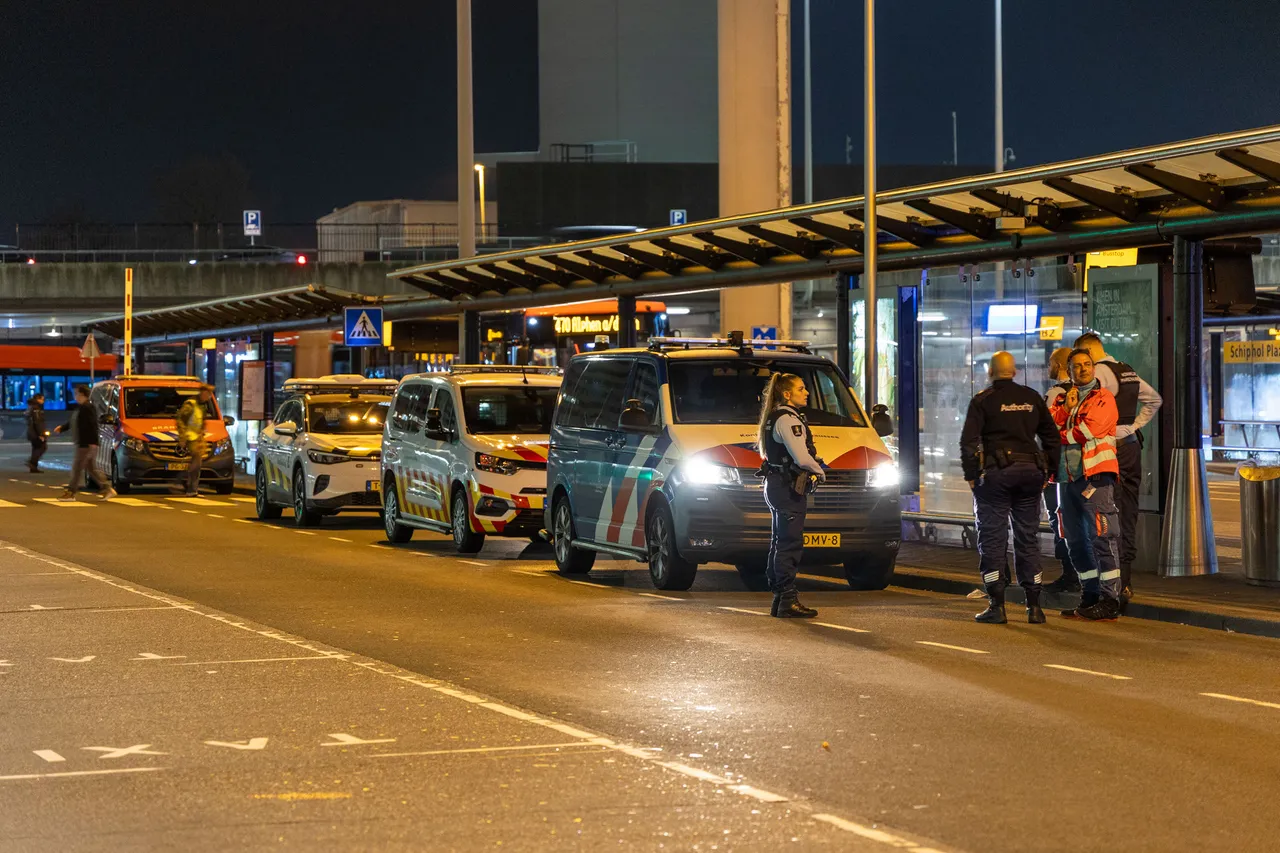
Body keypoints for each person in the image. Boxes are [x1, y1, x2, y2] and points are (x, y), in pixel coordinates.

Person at [959, 352, 1062, 624]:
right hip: (1030, 474)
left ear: (990, 372)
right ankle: (1034, 607)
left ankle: (997, 606)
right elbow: (1052, 437)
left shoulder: (983, 400)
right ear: (1014, 372)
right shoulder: (1031, 398)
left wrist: (971, 475)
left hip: (996, 476)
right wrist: (1049, 471)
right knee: (1027, 538)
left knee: (993, 538)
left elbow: (968, 442)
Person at [1073, 333, 1162, 606]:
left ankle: (1112, 587)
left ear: (1088, 353)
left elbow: (1090, 413)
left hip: (1111, 451)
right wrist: (1133, 426)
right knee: (1128, 511)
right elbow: (1154, 400)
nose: (1082, 367)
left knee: (1106, 514)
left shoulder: (1099, 374)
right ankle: (1127, 582)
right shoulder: (1127, 371)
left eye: (1083, 359)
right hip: (1132, 446)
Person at [1051, 349, 1122, 621]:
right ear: (1068, 371)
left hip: (1095, 478)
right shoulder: (1063, 399)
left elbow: (1090, 430)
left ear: (1093, 367)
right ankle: (1089, 596)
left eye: (1087, 364)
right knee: (1075, 541)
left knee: (1102, 537)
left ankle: (1110, 600)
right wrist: (1067, 411)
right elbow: (1047, 427)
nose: (1083, 369)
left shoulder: (1103, 398)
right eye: (1077, 366)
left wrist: (1062, 433)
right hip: (1066, 479)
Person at [756, 373, 824, 619]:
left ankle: (780, 598)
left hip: (777, 485)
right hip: (787, 488)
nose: (806, 393)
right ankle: (787, 599)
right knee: (789, 544)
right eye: (801, 388)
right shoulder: (788, 420)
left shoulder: (776, 417)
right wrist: (820, 472)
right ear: (787, 394)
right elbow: (801, 458)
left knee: (780, 541)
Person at [1042, 347, 1079, 594]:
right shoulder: (1083, 392)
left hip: (1058, 468)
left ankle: (1069, 574)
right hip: (1080, 467)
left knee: (1060, 520)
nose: (1049, 368)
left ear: (1058, 365)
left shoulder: (1055, 393)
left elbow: (1046, 431)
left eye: (1050, 363)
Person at [55, 385, 114, 501]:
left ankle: (71, 493)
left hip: (86, 444)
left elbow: (92, 426)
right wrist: (62, 428)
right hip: (85, 443)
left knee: (77, 468)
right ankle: (107, 489)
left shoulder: (87, 407)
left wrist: (91, 442)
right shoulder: (82, 407)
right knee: (91, 469)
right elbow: (74, 422)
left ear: (82, 394)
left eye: (76, 393)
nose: (75, 396)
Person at [174, 385, 212, 496]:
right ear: (202, 393)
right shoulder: (191, 404)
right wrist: (182, 437)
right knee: (196, 461)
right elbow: (180, 420)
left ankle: (191, 488)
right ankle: (186, 484)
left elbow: (201, 421)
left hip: (197, 437)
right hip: (190, 437)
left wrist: (202, 432)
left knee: (197, 463)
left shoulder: (202, 406)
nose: (208, 397)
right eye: (207, 394)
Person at [25, 393, 49, 473]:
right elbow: (38, 422)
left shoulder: (30, 407)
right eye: (42, 399)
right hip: (35, 432)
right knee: (42, 447)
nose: (43, 401)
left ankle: (33, 467)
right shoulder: (36, 408)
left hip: (31, 432)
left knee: (36, 448)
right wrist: (41, 434)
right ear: (38, 399)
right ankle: (32, 462)